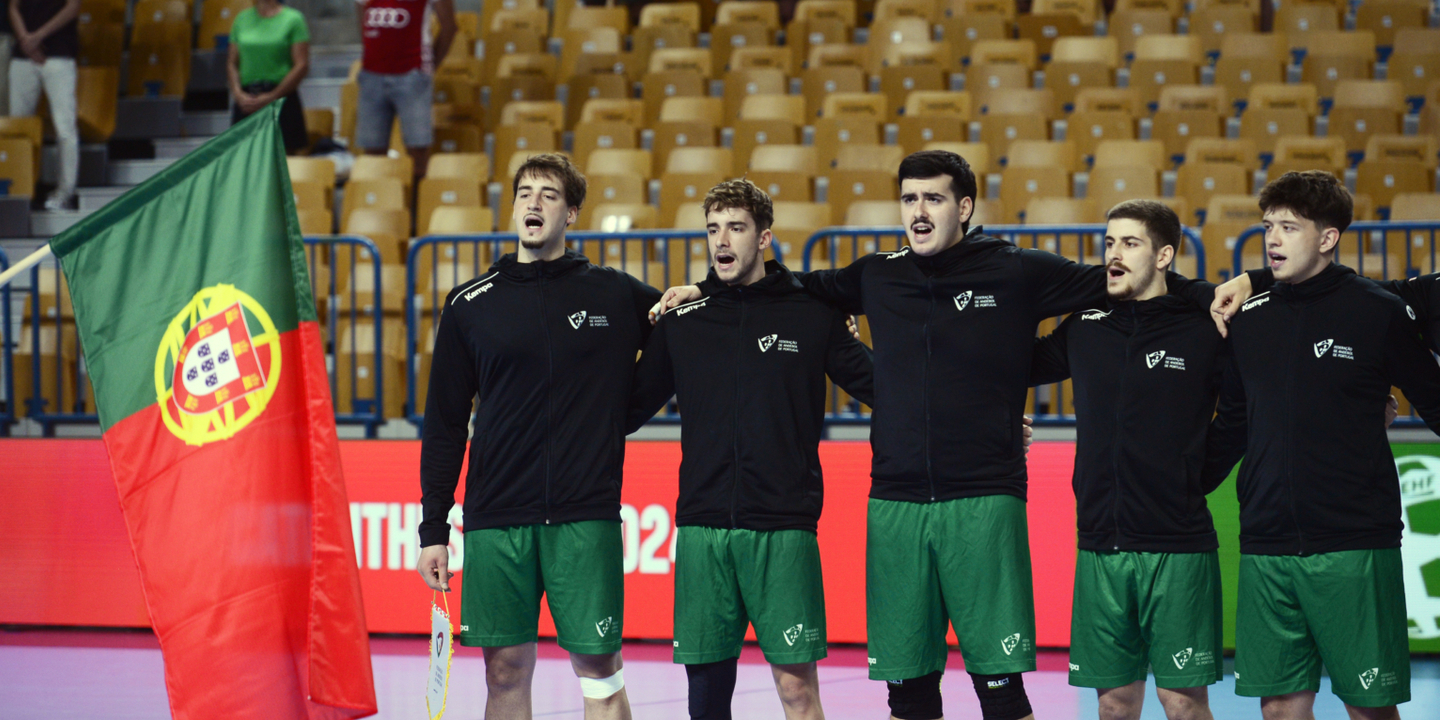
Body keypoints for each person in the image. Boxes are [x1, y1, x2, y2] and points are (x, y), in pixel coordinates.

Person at [654, 150, 1231, 720]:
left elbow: (1128, 278)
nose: (918, 210)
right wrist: (705, 290)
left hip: (983, 497)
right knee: (906, 693)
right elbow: (785, 287)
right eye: (909, 199)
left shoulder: (1017, 270)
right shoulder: (878, 273)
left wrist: (1211, 293)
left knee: (1001, 691)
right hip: (896, 503)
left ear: (965, 206)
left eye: (933, 198)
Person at [416, 153, 659, 720]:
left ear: (571, 212)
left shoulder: (613, 293)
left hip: (584, 515)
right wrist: (433, 528)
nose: (534, 202)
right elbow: (446, 424)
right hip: (497, 517)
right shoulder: (470, 304)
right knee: (503, 672)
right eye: (525, 191)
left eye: (550, 194)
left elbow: (688, 328)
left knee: (599, 672)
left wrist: (620, 413)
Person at [627, 179, 874, 720]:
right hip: (701, 528)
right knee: (707, 699)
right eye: (713, 229)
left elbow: (885, 388)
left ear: (764, 237)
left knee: (797, 690)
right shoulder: (683, 321)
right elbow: (623, 411)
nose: (722, 241)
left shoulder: (811, 313)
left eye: (736, 228)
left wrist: (983, 415)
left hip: (783, 528)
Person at [1201, 170, 1440, 720]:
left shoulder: (1377, 311)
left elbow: (1434, 399)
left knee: (1369, 707)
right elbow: (1233, 421)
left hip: (1354, 542)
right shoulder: (1248, 318)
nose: (1273, 239)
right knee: (1280, 709)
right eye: (1268, 227)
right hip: (1265, 541)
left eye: (1289, 226)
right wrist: (1183, 488)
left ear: (1328, 238)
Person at [1030, 200, 1229, 720]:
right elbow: (1010, 366)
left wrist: (1197, 474)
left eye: (1130, 243)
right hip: (1099, 541)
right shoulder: (1086, 326)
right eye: (1109, 242)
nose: (1113, 255)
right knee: (1115, 705)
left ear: (1164, 255)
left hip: (1177, 544)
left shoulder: (1203, 327)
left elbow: (1246, 406)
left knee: (1183, 702)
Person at [353, 0, 454, 180]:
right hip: (372, 72)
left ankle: (416, 205)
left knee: (418, 151)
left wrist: (430, 66)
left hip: (412, 72)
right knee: (372, 154)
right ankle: (379, 202)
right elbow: (363, 23)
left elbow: (449, 28)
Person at [8, 0, 76, 210]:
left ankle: (65, 191)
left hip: (59, 54)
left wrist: (38, 36)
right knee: (18, 129)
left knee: (65, 128)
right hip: (22, 56)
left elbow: (73, 6)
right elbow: (13, 7)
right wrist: (25, 40)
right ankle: (20, 189)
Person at [227, 0, 311, 154]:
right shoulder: (241, 19)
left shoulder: (293, 19)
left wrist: (273, 96)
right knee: (245, 162)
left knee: (284, 164)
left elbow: (301, 65)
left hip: (282, 98)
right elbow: (232, 63)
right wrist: (238, 95)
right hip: (247, 99)